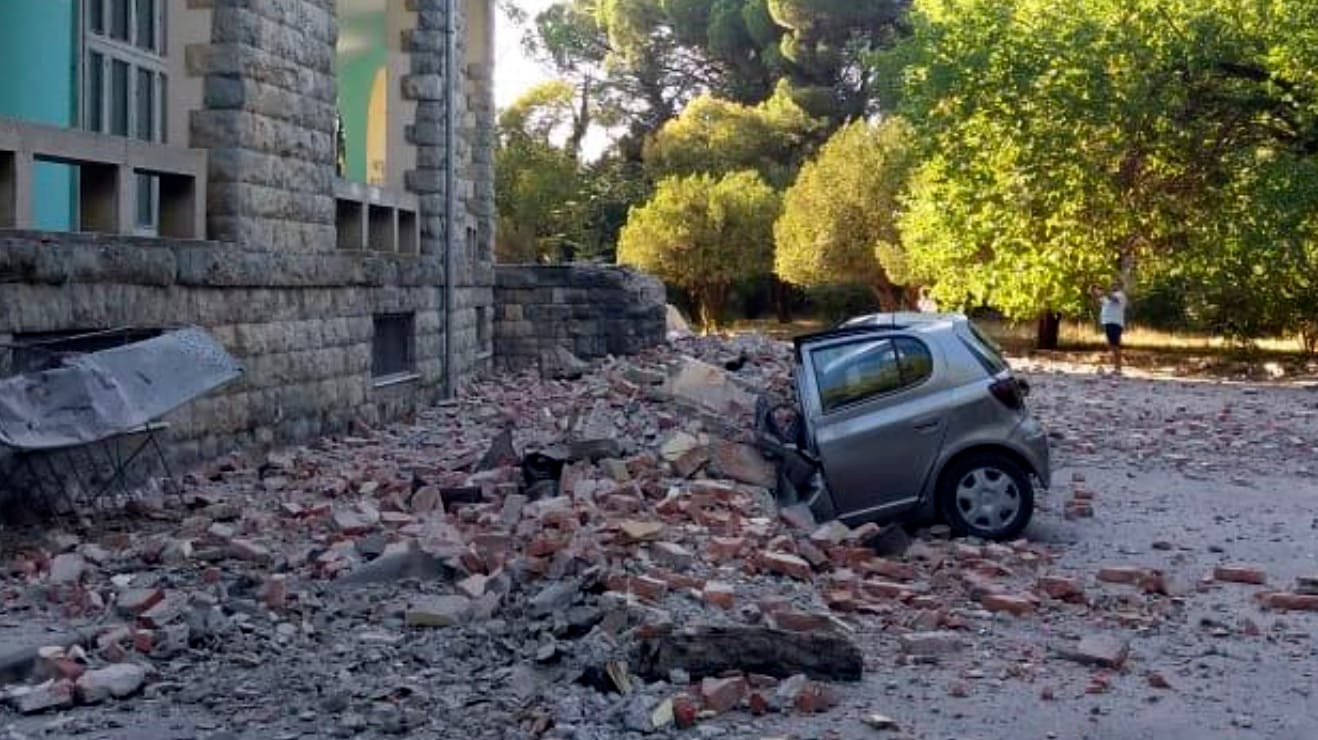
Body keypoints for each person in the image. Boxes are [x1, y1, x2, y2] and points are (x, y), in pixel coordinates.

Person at [1090, 279, 1127, 374]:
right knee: (1112, 345)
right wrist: (1093, 292)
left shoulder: (1120, 295)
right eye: (1112, 284)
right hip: (1108, 323)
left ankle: (1118, 369)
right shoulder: (1107, 297)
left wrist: (1103, 290)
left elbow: (1112, 298)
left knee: (1115, 346)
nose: (1113, 286)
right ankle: (1116, 368)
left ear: (1120, 286)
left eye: (1115, 284)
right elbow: (1097, 302)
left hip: (1115, 323)